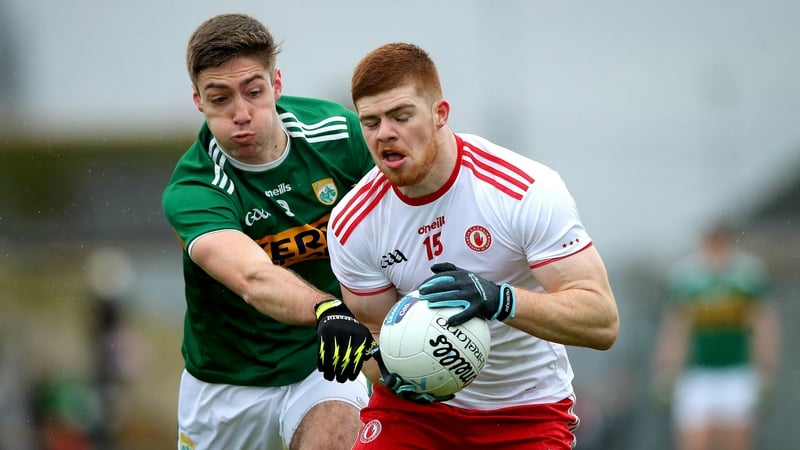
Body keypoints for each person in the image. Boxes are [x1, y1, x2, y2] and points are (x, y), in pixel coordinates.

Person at [315, 42, 619, 449]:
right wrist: (380, 365)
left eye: (401, 116)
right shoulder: (353, 221)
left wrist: (500, 300)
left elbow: (602, 321)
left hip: (526, 412)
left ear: (440, 114)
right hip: (416, 413)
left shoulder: (523, 190)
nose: (384, 133)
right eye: (370, 122)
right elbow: (375, 331)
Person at [161, 13, 373, 450]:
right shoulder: (194, 189)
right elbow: (253, 278)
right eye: (220, 99)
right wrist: (328, 309)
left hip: (322, 361)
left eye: (253, 92)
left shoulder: (339, 137)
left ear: (276, 84)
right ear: (198, 101)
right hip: (226, 382)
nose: (241, 114)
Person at [652, 225, 780, 450]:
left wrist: (766, 370)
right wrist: (667, 371)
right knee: (695, 441)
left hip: (737, 371)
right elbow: (676, 328)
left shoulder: (747, 275)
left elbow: (763, 325)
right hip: (697, 374)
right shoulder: (687, 276)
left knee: (735, 441)